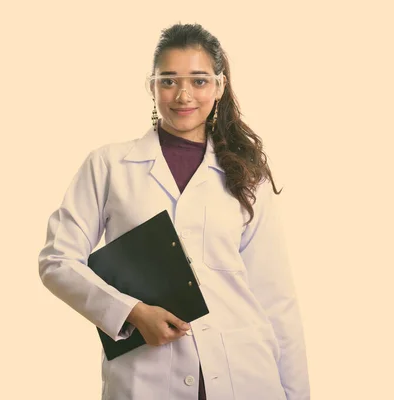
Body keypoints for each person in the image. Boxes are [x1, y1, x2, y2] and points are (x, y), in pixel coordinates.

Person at [38, 23, 310, 400]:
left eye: (199, 81)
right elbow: (57, 260)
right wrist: (131, 312)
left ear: (219, 85)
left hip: (246, 375)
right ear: (151, 86)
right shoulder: (109, 165)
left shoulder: (247, 175)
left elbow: (276, 299)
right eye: (169, 80)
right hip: (146, 378)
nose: (183, 95)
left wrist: (297, 394)